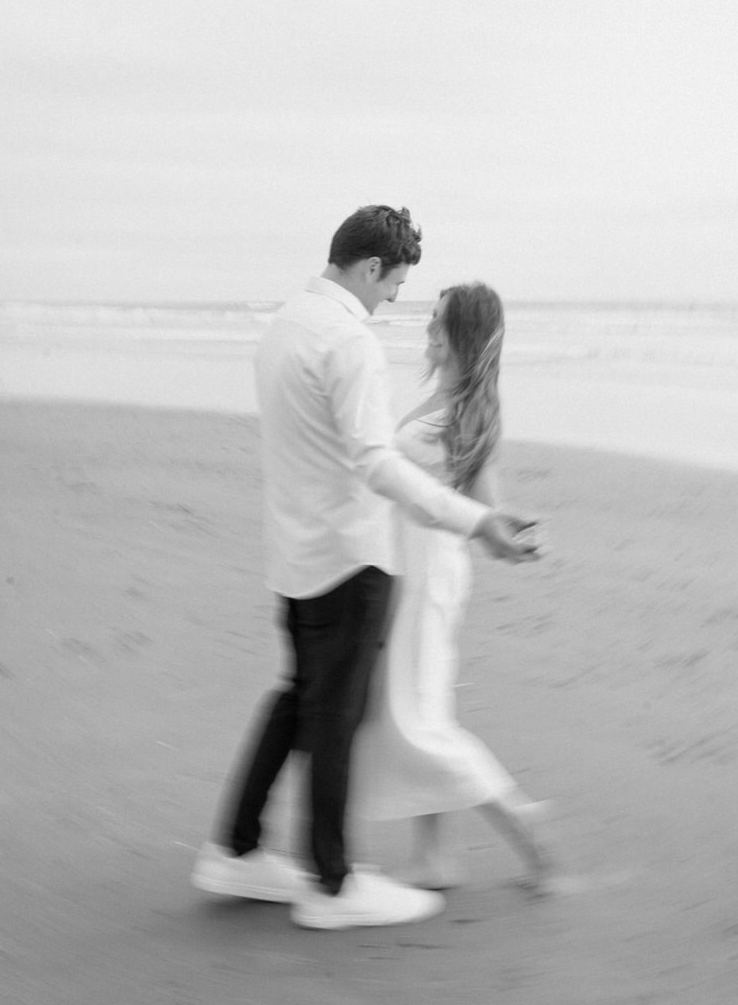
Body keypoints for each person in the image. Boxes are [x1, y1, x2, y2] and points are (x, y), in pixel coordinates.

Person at [191, 206, 538, 930]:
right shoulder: (348, 341)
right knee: (333, 717)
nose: (394, 303)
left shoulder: (285, 324)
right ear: (371, 266)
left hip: (293, 555)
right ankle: (333, 884)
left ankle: (237, 848)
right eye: (395, 285)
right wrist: (476, 521)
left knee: (300, 703)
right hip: (349, 560)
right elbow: (375, 462)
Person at [351, 283, 556, 892]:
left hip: (428, 575)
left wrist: (509, 533)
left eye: (439, 324)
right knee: (417, 709)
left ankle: (523, 820)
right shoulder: (438, 399)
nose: (428, 331)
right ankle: (435, 857)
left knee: (416, 719)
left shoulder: (466, 410)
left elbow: (484, 507)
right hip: (405, 565)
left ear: (464, 336)